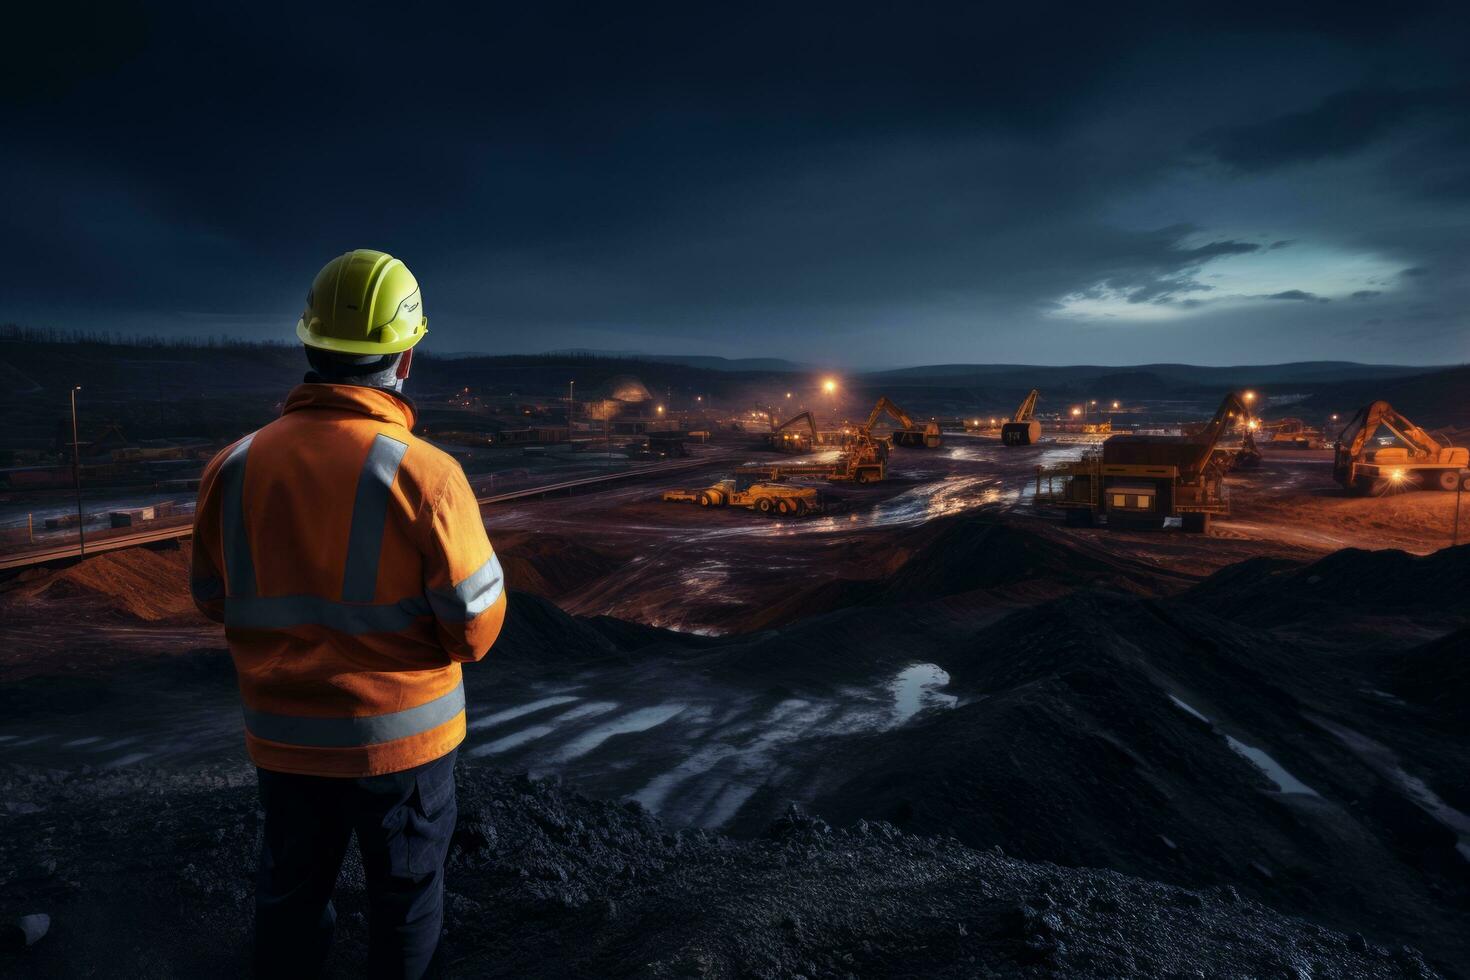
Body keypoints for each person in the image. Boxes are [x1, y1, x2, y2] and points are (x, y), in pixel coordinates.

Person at [190, 249, 506, 978]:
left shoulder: (232, 468)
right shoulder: (427, 476)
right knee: (406, 902)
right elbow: (476, 629)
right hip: (403, 748)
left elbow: (212, 598)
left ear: (309, 345)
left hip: (285, 740)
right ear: (405, 355)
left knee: (290, 900)